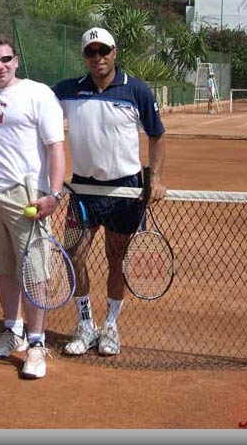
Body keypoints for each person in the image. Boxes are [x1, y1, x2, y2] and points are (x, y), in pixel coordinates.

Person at [53, 27, 167, 357]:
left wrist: (155, 178)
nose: (98, 58)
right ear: (84, 56)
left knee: (116, 258)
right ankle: (85, 323)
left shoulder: (137, 91)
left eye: (104, 51)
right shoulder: (68, 90)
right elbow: (28, 98)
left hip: (125, 192)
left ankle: (111, 326)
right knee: (74, 257)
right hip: (83, 190)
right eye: (91, 52)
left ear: (114, 52)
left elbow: (157, 136)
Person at [0, 35, 66, 379]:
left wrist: (53, 194)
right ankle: (13, 331)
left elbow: (55, 148)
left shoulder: (38, 94)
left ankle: (36, 345)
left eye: (5, 59)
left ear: (16, 60)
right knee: (4, 269)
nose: (0, 66)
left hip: (27, 198)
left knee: (34, 275)